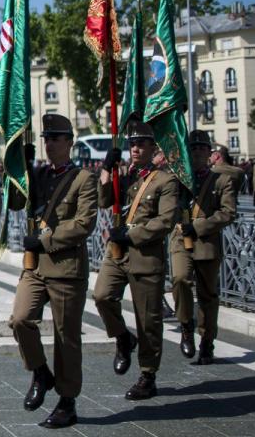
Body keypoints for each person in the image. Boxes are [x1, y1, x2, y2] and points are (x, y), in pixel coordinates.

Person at [6, 114, 98, 428]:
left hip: (65, 266)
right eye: (46, 138)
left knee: (65, 337)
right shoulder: (40, 174)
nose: (49, 143)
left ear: (70, 141)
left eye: (56, 138)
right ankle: (41, 373)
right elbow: (15, 202)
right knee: (20, 319)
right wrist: (19, 169)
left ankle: (67, 401)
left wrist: (44, 239)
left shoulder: (84, 178)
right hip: (36, 268)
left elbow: (84, 224)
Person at [94, 122, 178, 400]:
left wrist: (131, 234)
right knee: (102, 296)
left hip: (144, 255)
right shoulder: (124, 176)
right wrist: (107, 169)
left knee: (148, 318)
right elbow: (104, 201)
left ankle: (147, 374)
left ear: (154, 148)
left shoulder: (165, 182)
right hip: (117, 254)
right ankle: (122, 337)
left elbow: (165, 221)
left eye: (142, 144)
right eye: (132, 144)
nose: (136, 148)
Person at [170, 130, 237, 366]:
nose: (197, 152)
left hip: (207, 242)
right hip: (180, 239)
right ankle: (186, 325)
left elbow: (228, 213)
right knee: (179, 279)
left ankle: (207, 340)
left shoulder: (221, 180)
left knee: (208, 296)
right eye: (193, 148)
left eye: (201, 148)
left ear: (210, 153)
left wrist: (198, 226)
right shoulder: (177, 178)